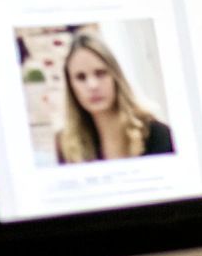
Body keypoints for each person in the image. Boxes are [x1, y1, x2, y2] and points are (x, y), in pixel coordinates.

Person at [54, 33, 173, 162]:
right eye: (81, 77)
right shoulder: (66, 146)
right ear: (71, 86)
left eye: (100, 73)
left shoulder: (157, 135)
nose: (93, 85)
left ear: (115, 77)